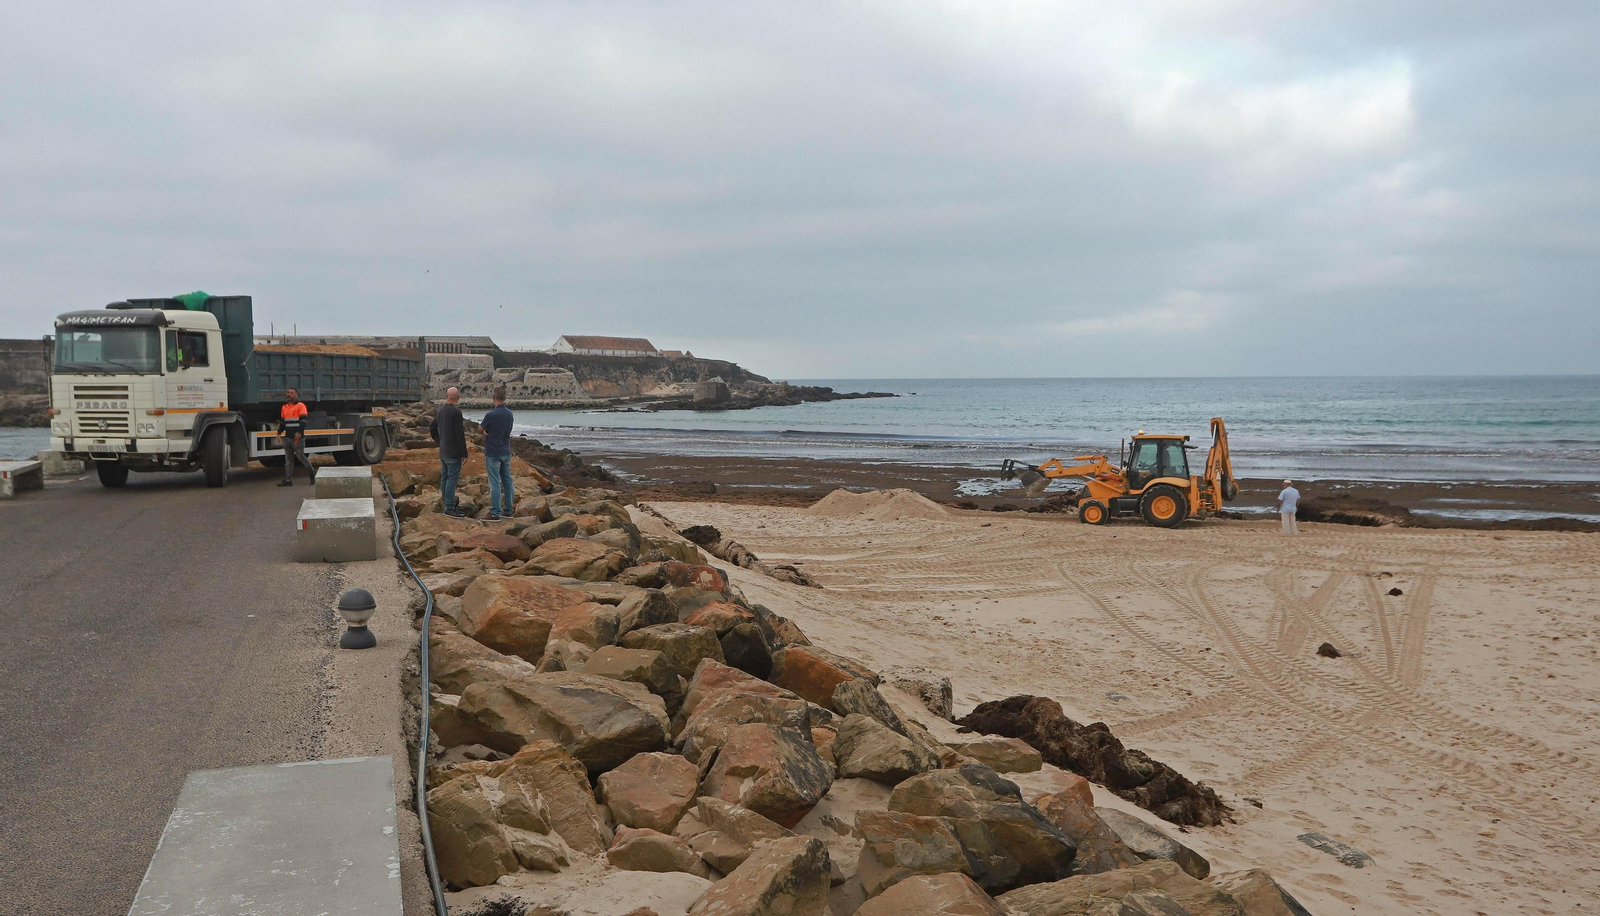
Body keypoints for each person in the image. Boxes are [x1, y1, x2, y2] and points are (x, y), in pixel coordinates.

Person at [430, 386, 467, 518]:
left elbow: (432, 427)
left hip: (444, 450)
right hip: (453, 452)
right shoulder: (456, 412)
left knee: (445, 477)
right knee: (452, 479)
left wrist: (439, 441)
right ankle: (450, 507)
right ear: (458, 398)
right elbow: (459, 435)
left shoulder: (440, 410)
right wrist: (464, 453)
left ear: (447, 397)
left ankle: (447, 503)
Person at [481, 386, 516, 520]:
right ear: (505, 398)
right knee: (507, 480)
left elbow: (480, 428)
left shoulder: (491, 415)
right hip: (505, 450)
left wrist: (484, 431)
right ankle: (508, 510)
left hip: (493, 451)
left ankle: (495, 512)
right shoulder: (509, 414)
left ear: (493, 398)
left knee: (495, 482)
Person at [278, 388, 314, 486]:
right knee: (288, 460)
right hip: (287, 438)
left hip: (297, 438)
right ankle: (287, 480)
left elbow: (303, 421)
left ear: (296, 395)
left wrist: (299, 432)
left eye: (291, 393)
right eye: (288, 392)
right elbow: (283, 422)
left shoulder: (300, 406)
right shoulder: (284, 407)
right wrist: (279, 432)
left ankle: (312, 474)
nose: (289, 394)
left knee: (301, 457)